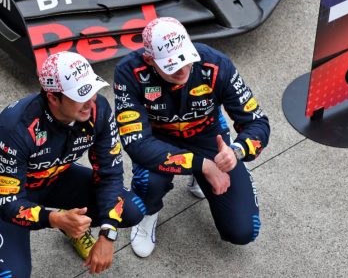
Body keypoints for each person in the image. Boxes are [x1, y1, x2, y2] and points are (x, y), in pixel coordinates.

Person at [0, 51, 145, 276]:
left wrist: (108, 232)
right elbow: (8, 202)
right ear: (53, 98)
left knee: (133, 209)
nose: (90, 102)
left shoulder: (98, 109)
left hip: (56, 176)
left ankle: (74, 225)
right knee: (8, 275)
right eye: (80, 95)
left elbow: (110, 174)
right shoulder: (14, 128)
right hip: (7, 193)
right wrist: (55, 219)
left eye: (92, 90)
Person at [113, 17, 270, 257]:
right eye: (171, 65)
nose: (182, 69)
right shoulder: (128, 72)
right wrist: (202, 165)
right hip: (157, 141)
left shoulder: (216, 64)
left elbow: (257, 122)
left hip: (207, 136)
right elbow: (137, 143)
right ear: (149, 60)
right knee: (149, 183)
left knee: (243, 231)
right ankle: (149, 212)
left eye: (186, 58)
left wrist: (236, 151)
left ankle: (208, 174)